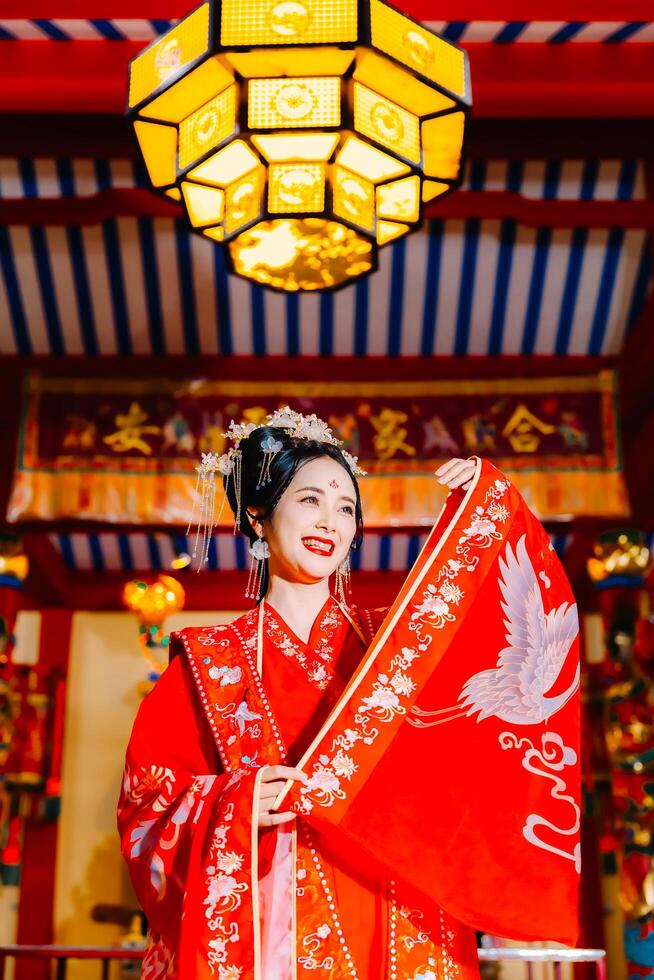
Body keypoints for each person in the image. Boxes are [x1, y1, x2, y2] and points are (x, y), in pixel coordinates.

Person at [117, 408, 579, 980]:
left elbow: (498, 646)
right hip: (271, 920)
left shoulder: (394, 645)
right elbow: (147, 801)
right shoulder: (209, 660)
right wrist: (234, 800)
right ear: (259, 516)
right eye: (309, 500)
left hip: (401, 913)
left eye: (345, 509)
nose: (330, 522)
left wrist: (488, 508)